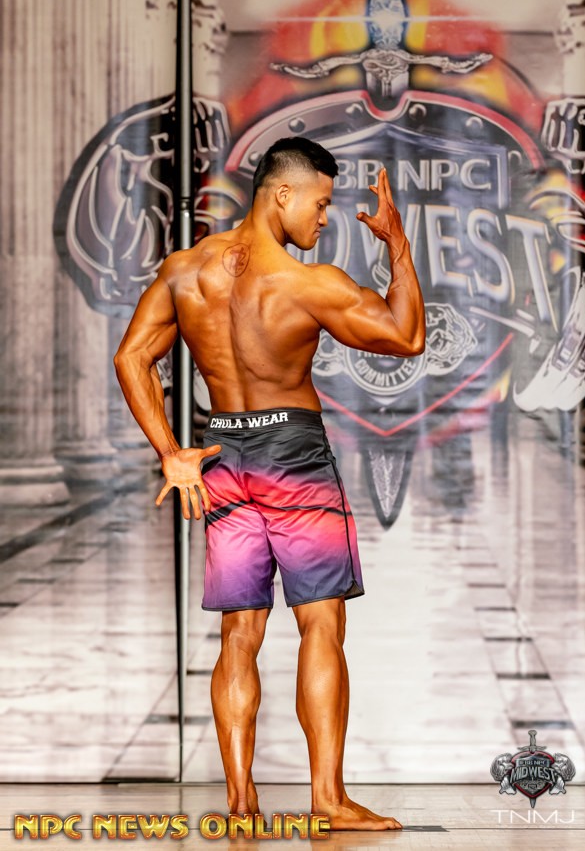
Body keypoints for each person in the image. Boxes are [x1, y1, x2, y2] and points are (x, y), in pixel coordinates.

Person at [114, 136, 425, 830]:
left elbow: (132, 358)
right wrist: (397, 245)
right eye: (321, 202)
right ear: (283, 193)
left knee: (240, 633)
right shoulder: (307, 283)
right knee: (321, 622)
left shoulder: (185, 270)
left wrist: (172, 452)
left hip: (223, 453)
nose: (325, 218)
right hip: (295, 456)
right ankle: (328, 801)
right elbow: (406, 337)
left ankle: (241, 803)